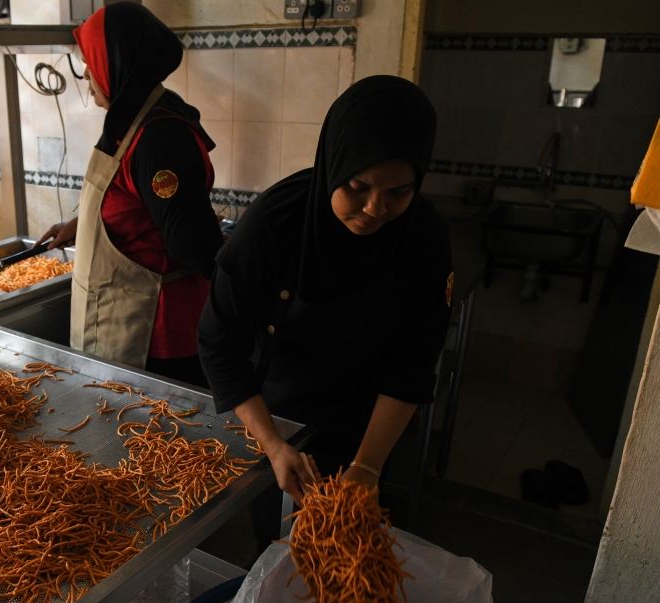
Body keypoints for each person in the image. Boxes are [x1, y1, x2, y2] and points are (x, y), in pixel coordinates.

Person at [196, 76, 453, 550]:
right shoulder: (275, 222)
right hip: (276, 414)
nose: (375, 208)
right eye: (358, 186)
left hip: (368, 420)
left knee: (348, 550)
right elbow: (219, 342)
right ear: (335, 163)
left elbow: (413, 364)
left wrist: (367, 466)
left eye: (399, 191)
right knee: (275, 546)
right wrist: (273, 444)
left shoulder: (424, 238)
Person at [36, 2, 224, 388]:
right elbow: (136, 205)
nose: (86, 75)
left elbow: (192, 244)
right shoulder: (130, 121)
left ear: (117, 62)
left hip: (158, 336)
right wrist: (83, 225)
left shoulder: (160, 137)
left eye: (90, 62)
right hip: (122, 322)